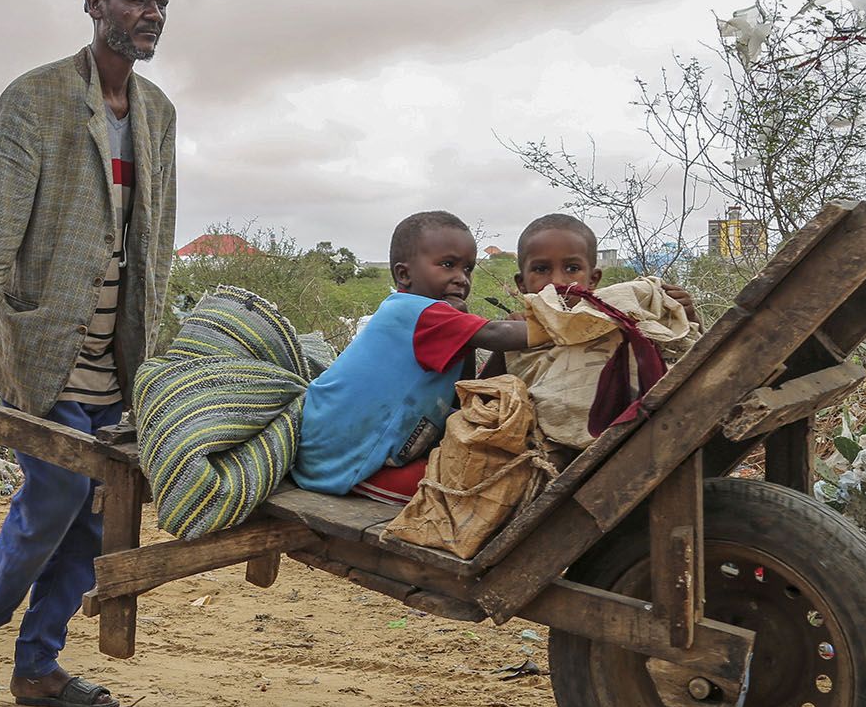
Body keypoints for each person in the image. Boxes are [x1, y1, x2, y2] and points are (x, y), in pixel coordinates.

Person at [0, 0, 188, 707]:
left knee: (100, 506)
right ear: (94, 4)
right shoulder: (36, 99)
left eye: (161, 2)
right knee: (61, 484)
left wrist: (155, 363)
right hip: (43, 347)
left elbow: (158, 243)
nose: (152, 13)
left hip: (118, 353)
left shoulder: (158, 113)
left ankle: (38, 665)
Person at [293, 211, 548, 499]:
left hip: (339, 451)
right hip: (345, 462)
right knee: (471, 487)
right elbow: (496, 334)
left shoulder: (430, 321)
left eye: (467, 269)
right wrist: (562, 323)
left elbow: (463, 399)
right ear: (404, 275)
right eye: (448, 265)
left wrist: (477, 343)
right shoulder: (414, 312)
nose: (461, 279)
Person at [479, 213, 702, 452]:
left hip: (641, 438)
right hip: (553, 453)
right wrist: (512, 341)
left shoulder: (619, 318)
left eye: (572, 268)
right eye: (541, 269)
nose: (556, 281)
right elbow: (484, 393)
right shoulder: (520, 330)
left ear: (593, 279)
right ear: (522, 283)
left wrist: (686, 315)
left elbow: (685, 356)